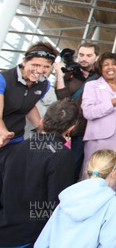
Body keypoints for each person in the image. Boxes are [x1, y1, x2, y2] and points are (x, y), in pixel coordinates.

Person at [0, 99, 76, 248]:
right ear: (71, 128)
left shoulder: (17, 147)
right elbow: (57, 203)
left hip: (6, 229)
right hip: (32, 235)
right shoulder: (62, 155)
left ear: (42, 120)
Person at [81, 52, 116, 236]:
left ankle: (115, 225)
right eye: (106, 65)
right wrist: (113, 101)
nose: (110, 67)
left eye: (114, 64)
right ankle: (92, 225)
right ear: (100, 68)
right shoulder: (92, 86)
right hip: (100, 141)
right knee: (98, 179)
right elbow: (88, 112)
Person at [34, 149, 116, 248]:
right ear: (114, 172)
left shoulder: (69, 195)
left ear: (87, 170)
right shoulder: (112, 202)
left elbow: (44, 238)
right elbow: (111, 244)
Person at [53, 42, 100, 180]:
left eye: (89, 55)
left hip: (82, 130)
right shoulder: (69, 72)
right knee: (53, 164)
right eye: (81, 54)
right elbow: (63, 99)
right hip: (62, 127)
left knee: (73, 168)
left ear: (96, 57)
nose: (84, 58)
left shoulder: (99, 78)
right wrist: (60, 76)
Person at [0, 42, 58, 148]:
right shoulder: (3, 79)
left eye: (46, 67)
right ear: (24, 61)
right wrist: (3, 132)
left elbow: (29, 105)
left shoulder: (44, 84)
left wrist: (42, 129)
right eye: (36, 65)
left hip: (15, 138)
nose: (40, 71)